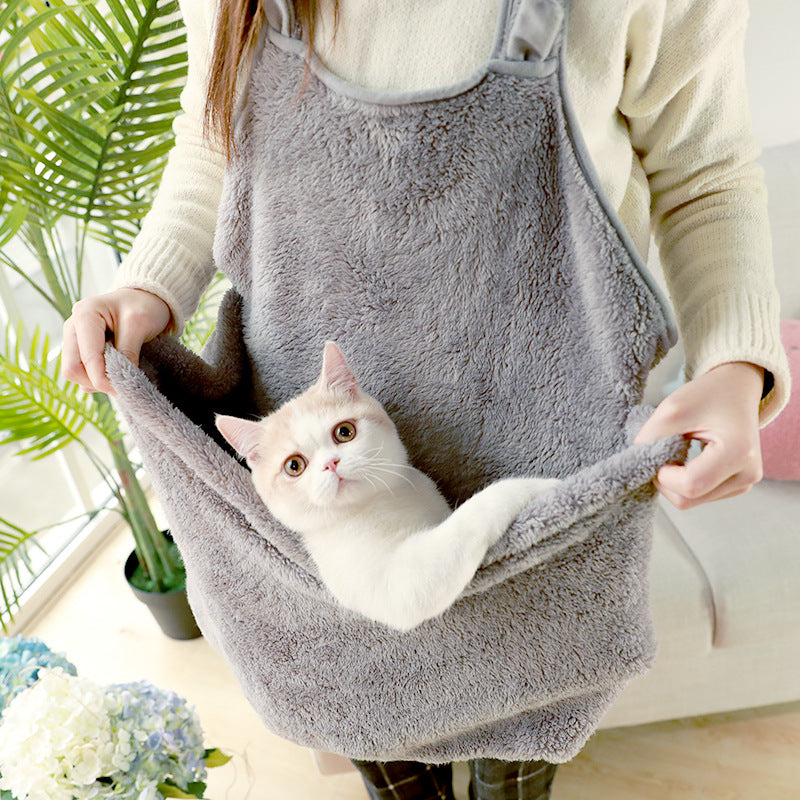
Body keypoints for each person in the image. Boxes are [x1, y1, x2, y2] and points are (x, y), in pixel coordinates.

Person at [61, 1, 790, 797]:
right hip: (321, 479)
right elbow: (214, 141)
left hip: (545, 464)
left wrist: (733, 367)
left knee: (522, 723)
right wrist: (149, 284)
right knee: (374, 717)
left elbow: (704, 174)